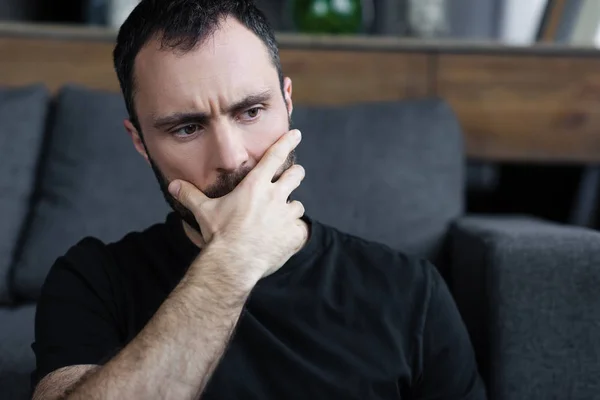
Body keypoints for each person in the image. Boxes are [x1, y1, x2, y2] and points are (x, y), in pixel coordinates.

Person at [31, 1, 486, 399]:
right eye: (186, 128)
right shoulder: (92, 280)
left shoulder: (410, 291)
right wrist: (231, 262)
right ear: (141, 142)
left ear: (287, 102)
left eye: (251, 111)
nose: (232, 158)